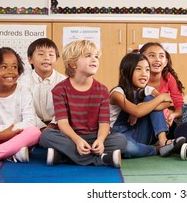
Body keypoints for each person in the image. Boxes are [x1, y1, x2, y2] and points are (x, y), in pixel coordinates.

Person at [39, 39, 127, 168]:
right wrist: (77, 140)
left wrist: (101, 141)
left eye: (96, 56)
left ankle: (63, 157)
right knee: (46, 136)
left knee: (121, 140)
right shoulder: (59, 90)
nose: (94, 59)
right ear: (73, 64)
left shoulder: (102, 90)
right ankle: (102, 160)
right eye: (88, 56)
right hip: (70, 137)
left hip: (94, 137)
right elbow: (62, 123)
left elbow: (104, 123)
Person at [109, 52, 186, 158]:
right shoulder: (117, 93)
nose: (144, 74)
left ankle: (163, 141)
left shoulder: (147, 90)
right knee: (127, 148)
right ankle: (155, 149)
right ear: (124, 72)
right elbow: (137, 111)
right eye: (138, 69)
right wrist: (139, 109)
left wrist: (142, 106)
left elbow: (168, 102)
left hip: (140, 133)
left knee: (151, 98)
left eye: (147, 70)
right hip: (121, 135)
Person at [139, 42, 185, 138]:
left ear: (166, 62)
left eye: (161, 56)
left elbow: (179, 104)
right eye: (152, 55)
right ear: (141, 59)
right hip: (141, 123)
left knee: (183, 128)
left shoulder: (168, 77)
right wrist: (157, 103)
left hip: (163, 123)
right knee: (150, 98)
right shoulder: (138, 77)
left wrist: (173, 116)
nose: (157, 59)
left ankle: (162, 140)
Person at [19, 38, 66, 130]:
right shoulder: (23, 82)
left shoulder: (63, 82)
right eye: (41, 54)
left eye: (51, 54)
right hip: (31, 125)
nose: (47, 58)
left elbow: (65, 109)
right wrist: (41, 128)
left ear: (56, 60)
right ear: (30, 59)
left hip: (58, 126)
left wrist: (52, 126)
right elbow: (25, 110)